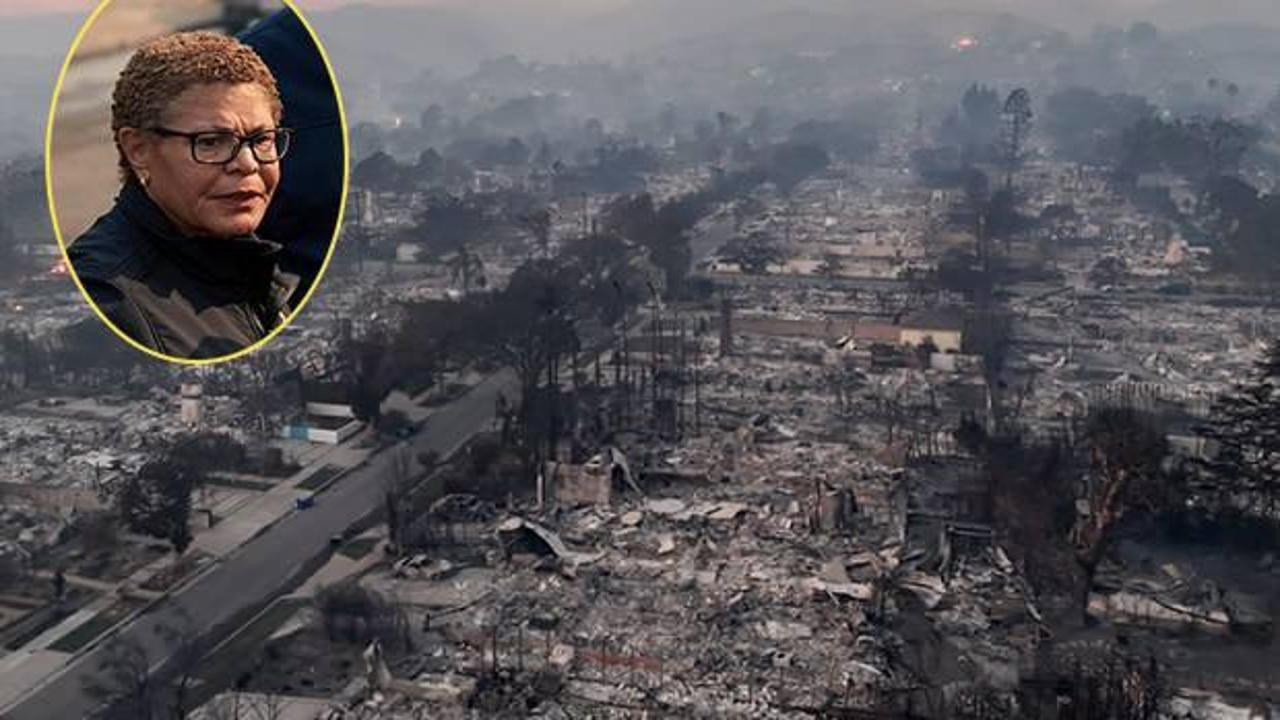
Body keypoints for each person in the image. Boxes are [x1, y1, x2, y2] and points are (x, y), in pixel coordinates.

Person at [67, 31, 298, 360]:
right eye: (210, 141)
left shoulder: (245, 264)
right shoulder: (107, 298)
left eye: (261, 139)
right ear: (139, 150)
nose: (248, 165)